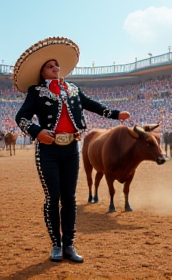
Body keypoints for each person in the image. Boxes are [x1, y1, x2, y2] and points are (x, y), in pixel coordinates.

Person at [13, 37, 130, 263]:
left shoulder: (73, 89)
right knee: (52, 197)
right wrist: (38, 132)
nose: (55, 67)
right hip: (48, 151)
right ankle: (56, 245)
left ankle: (69, 244)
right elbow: (21, 117)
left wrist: (115, 114)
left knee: (69, 198)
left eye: (56, 64)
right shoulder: (35, 91)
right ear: (42, 72)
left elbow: (92, 105)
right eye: (50, 66)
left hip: (71, 150)